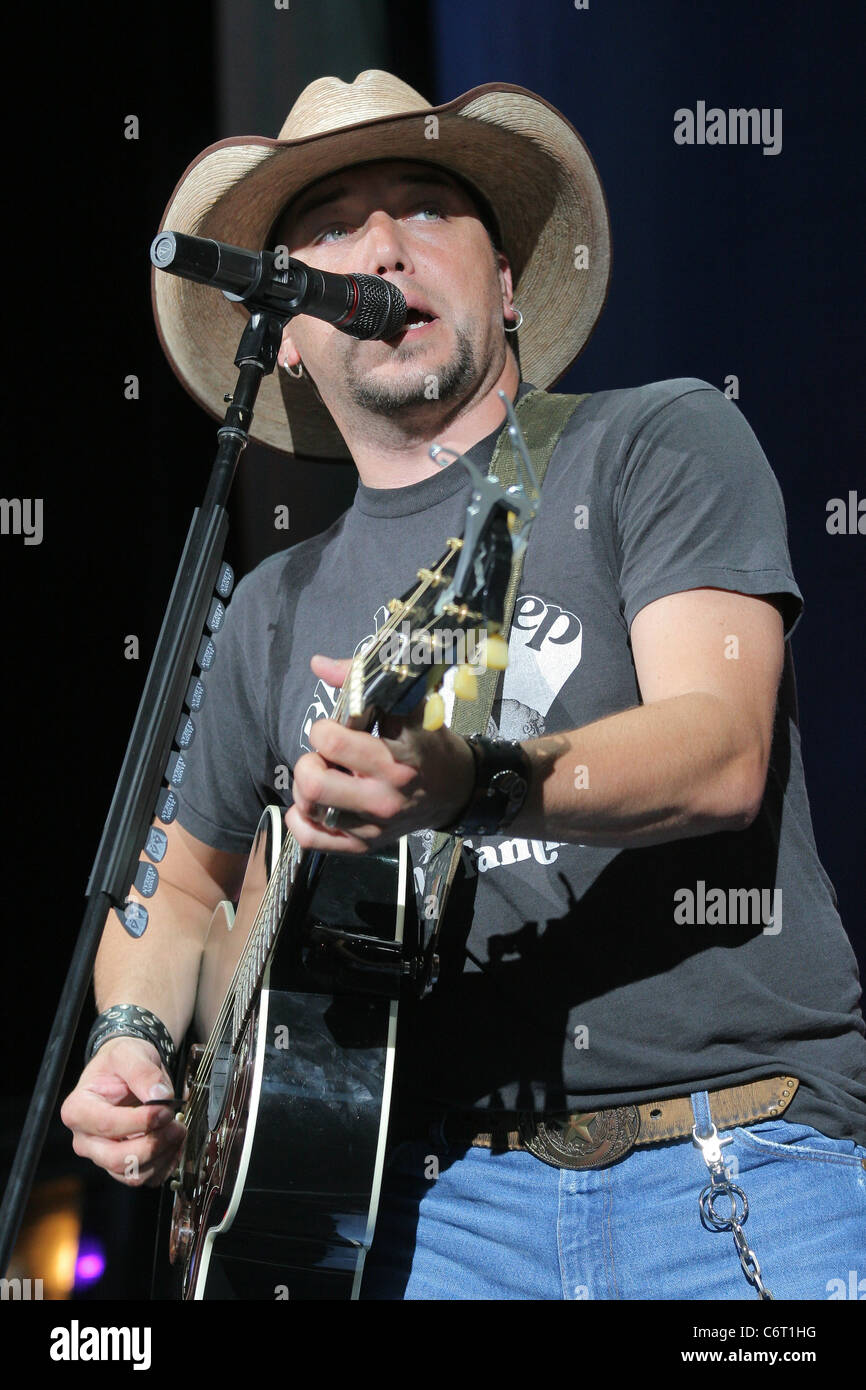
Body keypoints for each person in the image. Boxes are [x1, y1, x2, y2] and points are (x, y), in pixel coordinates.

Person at [62, 70, 866, 1301]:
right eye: (327, 226)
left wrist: (472, 780)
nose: (378, 245)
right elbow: (177, 892)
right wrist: (135, 1040)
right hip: (424, 1215)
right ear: (287, 325)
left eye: (426, 206)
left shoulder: (650, 440)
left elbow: (719, 749)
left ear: (501, 283)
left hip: (728, 1157)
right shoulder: (272, 605)